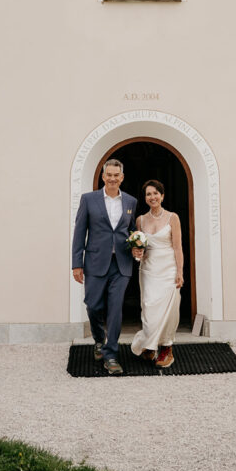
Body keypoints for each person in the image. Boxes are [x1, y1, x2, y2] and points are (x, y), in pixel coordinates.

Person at [71, 159, 138, 375]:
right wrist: (76, 264)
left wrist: (138, 246)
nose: (112, 178)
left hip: (121, 264)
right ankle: (99, 339)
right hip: (94, 263)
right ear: (103, 176)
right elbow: (80, 232)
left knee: (116, 309)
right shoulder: (89, 200)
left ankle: (111, 355)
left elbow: (131, 231)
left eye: (116, 175)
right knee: (93, 305)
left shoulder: (130, 201)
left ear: (122, 177)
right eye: (108, 175)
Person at [130, 178, 183, 368]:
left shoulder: (172, 218)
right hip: (148, 269)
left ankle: (166, 349)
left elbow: (177, 248)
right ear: (145, 198)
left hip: (169, 269)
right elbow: (139, 247)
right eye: (148, 194)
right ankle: (150, 346)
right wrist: (136, 251)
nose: (152, 197)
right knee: (150, 308)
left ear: (162, 195)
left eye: (155, 193)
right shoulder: (140, 220)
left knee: (169, 310)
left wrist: (180, 272)